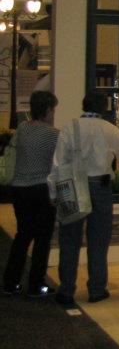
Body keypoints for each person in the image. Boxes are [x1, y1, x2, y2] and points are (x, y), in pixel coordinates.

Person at [48, 92, 119, 306]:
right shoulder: (109, 129)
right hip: (101, 187)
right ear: (103, 107)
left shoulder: (71, 127)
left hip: (72, 184)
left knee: (69, 239)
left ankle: (66, 289)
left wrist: (54, 192)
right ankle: (97, 289)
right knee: (99, 240)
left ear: (83, 105)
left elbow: (58, 164)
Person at [2, 91, 59, 298]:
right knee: (43, 238)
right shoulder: (53, 134)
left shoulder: (22, 129)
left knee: (23, 234)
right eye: (53, 108)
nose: (53, 112)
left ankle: (11, 281)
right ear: (47, 109)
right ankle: (36, 283)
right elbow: (59, 163)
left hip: (19, 189)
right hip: (41, 189)